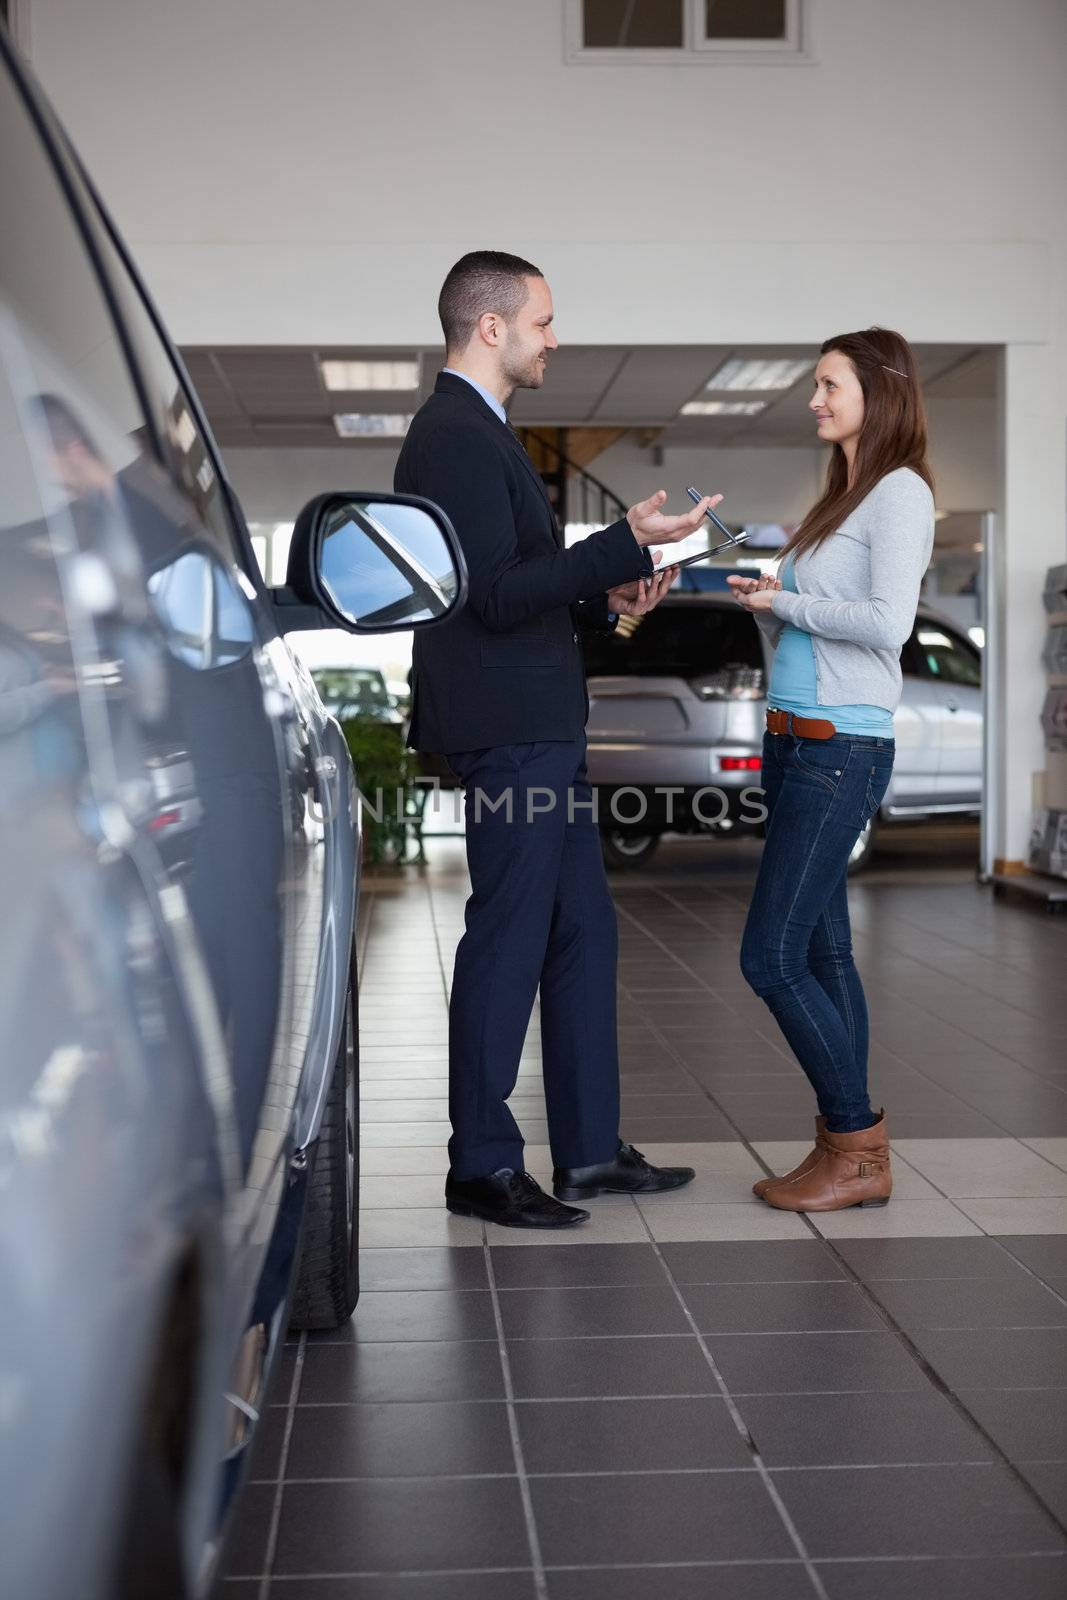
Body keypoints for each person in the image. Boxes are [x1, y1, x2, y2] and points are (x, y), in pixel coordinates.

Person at [395, 249, 714, 1228]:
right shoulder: (450, 437)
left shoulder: (488, 435)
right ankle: (481, 1163)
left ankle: (584, 1152)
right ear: (489, 327)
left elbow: (520, 601)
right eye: (542, 319)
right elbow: (486, 596)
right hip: (509, 737)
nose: (553, 337)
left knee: (581, 931)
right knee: (508, 936)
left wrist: (610, 599)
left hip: (540, 728)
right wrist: (619, 543)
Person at [728, 327, 935, 1213]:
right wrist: (772, 607)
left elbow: (886, 624)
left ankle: (857, 1147)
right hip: (794, 737)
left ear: (878, 390)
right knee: (825, 951)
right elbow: (821, 623)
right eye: (814, 385)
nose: (813, 399)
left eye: (828, 384)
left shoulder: (899, 493)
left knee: (769, 957)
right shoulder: (844, 496)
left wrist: (787, 600)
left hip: (839, 745)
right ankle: (840, 1150)